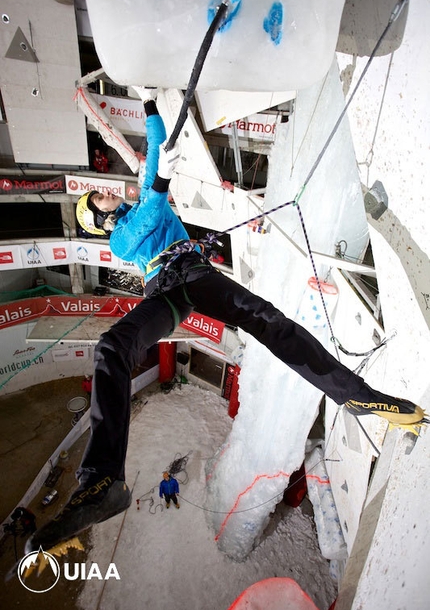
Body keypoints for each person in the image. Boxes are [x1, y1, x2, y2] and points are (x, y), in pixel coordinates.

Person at [25, 90, 427, 554]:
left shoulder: (134, 208)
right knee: (112, 349)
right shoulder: (119, 239)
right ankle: (100, 481)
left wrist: (150, 102)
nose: (107, 192)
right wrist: (160, 185)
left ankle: (357, 398)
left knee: (271, 323)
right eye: (98, 199)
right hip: (167, 288)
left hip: (197, 275)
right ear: (98, 219)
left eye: (101, 189)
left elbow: (156, 148)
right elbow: (153, 209)